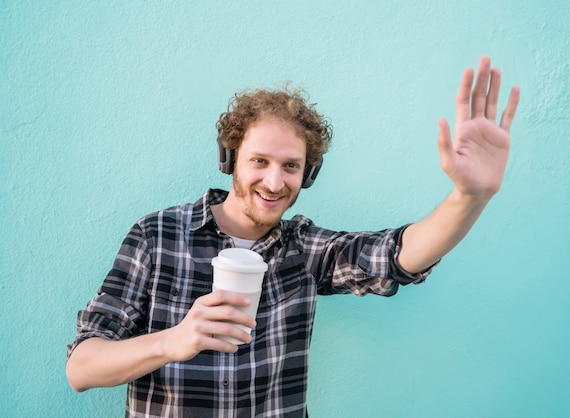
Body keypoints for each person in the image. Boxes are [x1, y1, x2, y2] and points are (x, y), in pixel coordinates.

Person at [66, 56, 520, 417]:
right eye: (259, 161)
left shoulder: (304, 249)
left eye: (291, 166)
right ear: (230, 159)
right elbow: (82, 367)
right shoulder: (157, 235)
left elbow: (399, 254)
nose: (275, 181)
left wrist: (469, 196)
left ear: (308, 174)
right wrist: (175, 340)